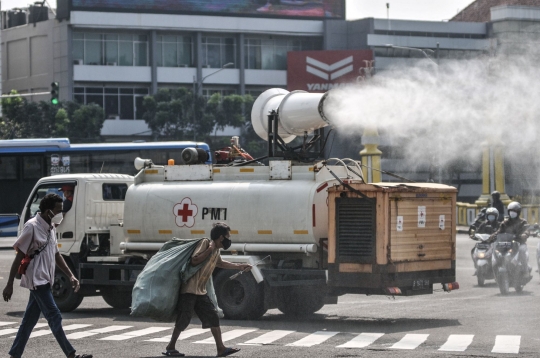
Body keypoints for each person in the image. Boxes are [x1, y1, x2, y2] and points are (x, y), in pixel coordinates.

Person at [2, 194, 92, 358]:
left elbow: (57, 255)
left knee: (28, 322)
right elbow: (18, 257)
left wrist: (71, 276)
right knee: (54, 315)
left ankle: (14, 355)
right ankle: (71, 355)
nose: (61, 214)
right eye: (59, 210)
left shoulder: (51, 227)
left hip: (46, 279)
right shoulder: (32, 227)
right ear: (48, 211)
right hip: (37, 280)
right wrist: (9, 284)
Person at [164, 223, 251, 357]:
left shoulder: (216, 250)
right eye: (228, 236)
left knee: (213, 316)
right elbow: (195, 260)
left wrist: (240, 266)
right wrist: (210, 249)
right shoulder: (206, 243)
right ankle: (170, 346)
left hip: (200, 291)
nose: (229, 240)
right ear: (221, 237)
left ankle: (221, 348)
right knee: (184, 318)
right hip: (189, 289)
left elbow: (221, 263)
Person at [490, 201, 532, 281]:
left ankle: (525, 271)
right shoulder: (505, 222)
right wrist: (493, 235)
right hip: (507, 244)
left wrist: (524, 234)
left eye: (514, 211)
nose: (512, 213)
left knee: (522, 250)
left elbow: (527, 230)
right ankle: (496, 273)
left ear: (518, 212)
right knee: (495, 251)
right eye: (510, 211)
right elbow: (499, 231)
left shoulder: (523, 222)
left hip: (519, 243)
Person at [470, 207, 500, 275]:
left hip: (494, 243)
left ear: (496, 216)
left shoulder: (499, 225)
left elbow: (501, 232)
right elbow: (477, 232)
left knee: (499, 253)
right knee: (473, 250)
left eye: (492, 215)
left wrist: (497, 236)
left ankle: (498, 268)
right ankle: (477, 267)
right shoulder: (483, 224)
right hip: (484, 243)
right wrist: (473, 235)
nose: (491, 217)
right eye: (489, 215)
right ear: (487, 216)